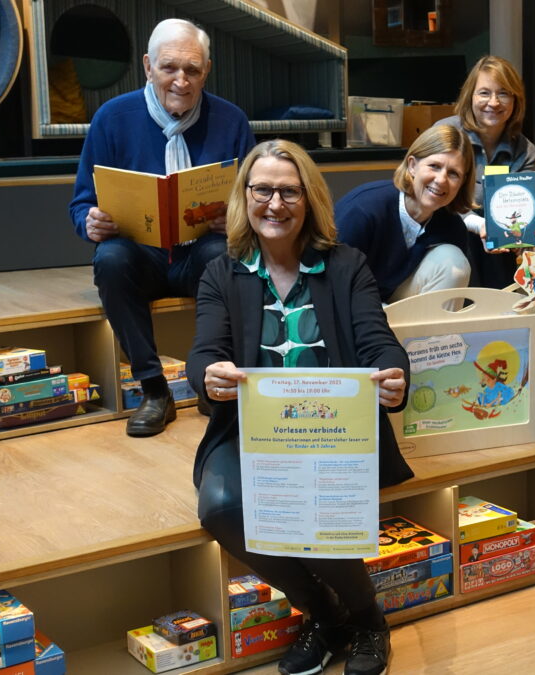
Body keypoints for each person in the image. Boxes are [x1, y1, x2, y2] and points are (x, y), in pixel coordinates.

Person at [188, 139, 413, 675]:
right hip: (251, 431)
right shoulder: (222, 271)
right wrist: (209, 377)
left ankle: (369, 621)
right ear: (245, 196)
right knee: (220, 506)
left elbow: (378, 340)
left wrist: (394, 373)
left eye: (289, 192)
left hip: (334, 432)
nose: (275, 204)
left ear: (309, 199)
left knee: (316, 501)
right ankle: (328, 614)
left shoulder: (347, 266)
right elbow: (204, 351)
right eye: (262, 190)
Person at [69, 18, 256, 437]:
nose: (181, 81)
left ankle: (212, 380)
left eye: (192, 70)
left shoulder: (231, 121)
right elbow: (81, 203)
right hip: (141, 255)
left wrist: (237, 219)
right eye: (169, 68)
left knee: (225, 254)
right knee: (110, 258)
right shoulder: (112, 118)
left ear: (207, 71)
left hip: (201, 254)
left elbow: (257, 198)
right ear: (148, 66)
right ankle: (154, 390)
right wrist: (90, 221)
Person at [334, 124, 476, 306]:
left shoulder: (452, 227)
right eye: (434, 166)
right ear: (412, 165)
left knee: (454, 264)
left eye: (453, 173)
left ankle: (436, 327)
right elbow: (333, 284)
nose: (441, 180)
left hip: (397, 303)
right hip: (350, 303)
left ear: (462, 182)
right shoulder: (362, 210)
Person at [435, 55, 535, 289]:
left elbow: (518, 210)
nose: (494, 102)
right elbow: (432, 198)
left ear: (515, 100)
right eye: (484, 93)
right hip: (445, 237)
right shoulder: (446, 134)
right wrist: (476, 223)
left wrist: (524, 235)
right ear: (470, 96)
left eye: (503, 93)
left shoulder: (525, 151)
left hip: (495, 249)